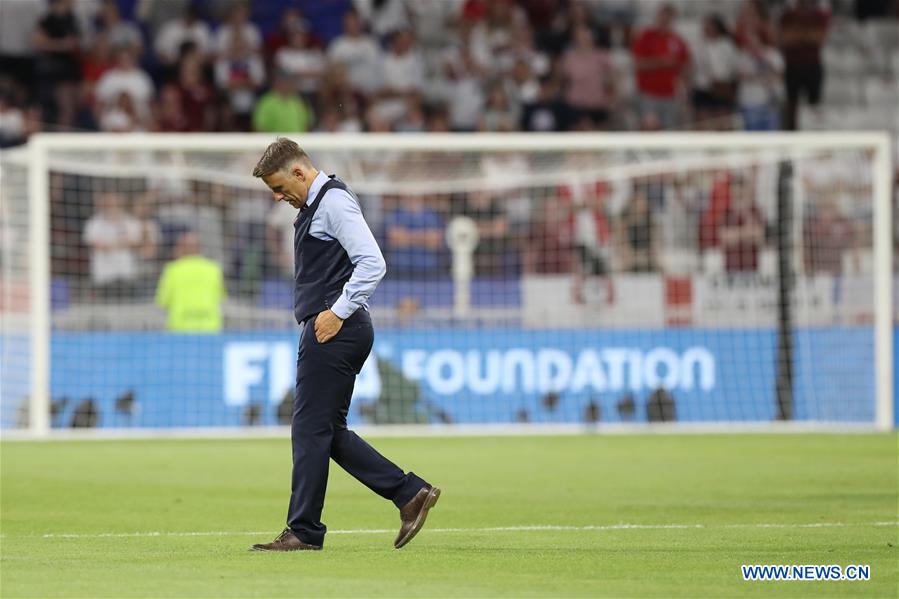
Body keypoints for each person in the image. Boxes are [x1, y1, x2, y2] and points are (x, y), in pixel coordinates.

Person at [249, 137, 440, 552]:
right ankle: (409, 493)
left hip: (335, 328)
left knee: (309, 429)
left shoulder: (333, 203)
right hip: (337, 328)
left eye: (280, 188)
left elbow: (373, 261)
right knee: (325, 430)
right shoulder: (320, 204)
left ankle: (304, 530)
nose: (280, 197)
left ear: (299, 172)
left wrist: (337, 311)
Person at [630, 4, 690, 130]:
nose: (664, 20)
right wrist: (661, 62)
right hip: (649, 93)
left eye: (668, 17)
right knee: (649, 128)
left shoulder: (678, 40)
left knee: (669, 130)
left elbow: (685, 67)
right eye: (662, 17)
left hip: (671, 94)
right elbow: (638, 64)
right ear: (657, 17)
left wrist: (685, 92)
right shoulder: (646, 37)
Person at [155, 231, 226, 332]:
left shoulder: (172, 270)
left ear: (180, 248)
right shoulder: (213, 269)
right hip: (210, 328)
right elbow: (221, 298)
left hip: (180, 329)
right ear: (199, 248)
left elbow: (162, 302)